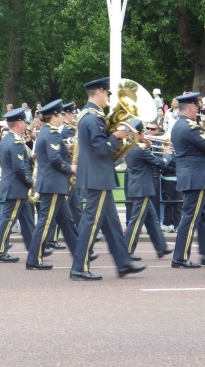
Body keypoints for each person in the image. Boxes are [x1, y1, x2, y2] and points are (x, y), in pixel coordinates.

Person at [70, 77, 145, 280]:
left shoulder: (88, 115)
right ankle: (79, 266)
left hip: (97, 176)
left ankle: (123, 263)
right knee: (90, 223)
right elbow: (102, 149)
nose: (109, 100)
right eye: (108, 95)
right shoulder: (94, 118)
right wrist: (117, 136)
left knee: (111, 224)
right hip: (98, 176)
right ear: (100, 92)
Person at [26, 100, 80, 270]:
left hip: (53, 183)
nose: (64, 117)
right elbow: (55, 159)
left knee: (67, 222)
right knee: (45, 221)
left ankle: (80, 253)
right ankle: (34, 259)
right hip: (53, 184)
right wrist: (70, 168)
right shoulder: (52, 133)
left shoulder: (46, 132)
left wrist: (67, 149)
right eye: (62, 114)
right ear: (55, 116)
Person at [123, 120, 174, 260]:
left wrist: (148, 148)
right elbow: (159, 163)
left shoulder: (131, 147)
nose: (145, 134)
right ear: (138, 133)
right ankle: (126, 250)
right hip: (143, 189)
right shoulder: (140, 149)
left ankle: (161, 248)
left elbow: (145, 161)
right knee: (136, 221)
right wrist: (168, 154)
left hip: (139, 187)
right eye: (143, 132)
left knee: (152, 220)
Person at [0, 108, 35, 263]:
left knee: (27, 221)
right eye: (23, 121)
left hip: (15, 187)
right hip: (15, 187)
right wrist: (30, 181)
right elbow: (19, 167)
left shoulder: (8, 139)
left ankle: (34, 250)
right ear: (19, 123)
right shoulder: (16, 141)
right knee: (8, 221)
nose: (25, 124)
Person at [170, 92, 205, 268]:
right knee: (190, 219)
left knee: (201, 216)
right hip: (197, 177)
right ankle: (180, 257)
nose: (198, 111)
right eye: (197, 108)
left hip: (190, 176)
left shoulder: (179, 125)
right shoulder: (191, 128)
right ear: (191, 108)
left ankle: (203, 252)